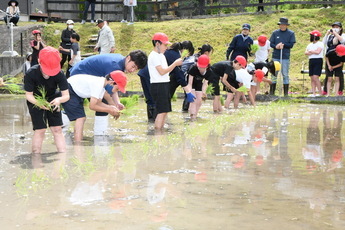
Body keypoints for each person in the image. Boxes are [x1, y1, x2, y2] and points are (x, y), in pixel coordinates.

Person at [70, 50, 147, 135]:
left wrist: (117, 103)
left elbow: (112, 89)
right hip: (77, 76)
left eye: (136, 69)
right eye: (133, 66)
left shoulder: (120, 62)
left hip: (87, 79)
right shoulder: (115, 66)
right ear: (128, 58)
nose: (132, 70)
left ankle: (100, 133)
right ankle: (100, 134)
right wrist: (112, 107)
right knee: (78, 109)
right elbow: (106, 92)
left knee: (76, 108)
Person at [24, 46, 70, 154]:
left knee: (57, 129)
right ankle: (36, 156)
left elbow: (66, 95)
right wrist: (38, 103)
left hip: (54, 99)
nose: (49, 73)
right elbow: (28, 95)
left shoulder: (59, 73)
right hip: (35, 100)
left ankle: (62, 156)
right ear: (39, 61)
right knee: (40, 130)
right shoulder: (31, 73)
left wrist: (59, 100)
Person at [62, 71, 126, 143]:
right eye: (117, 89)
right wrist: (109, 110)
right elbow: (92, 106)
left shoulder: (102, 85)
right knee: (80, 118)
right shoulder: (98, 84)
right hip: (70, 89)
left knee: (81, 117)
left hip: (76, 91)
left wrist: (111, 108)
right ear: (112, 82)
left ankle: (76, 139)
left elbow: (98, 102)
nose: (116, 91)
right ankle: (78, 144)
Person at [148, 32, 183, 130]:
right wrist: (175, 64)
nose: (166, 47)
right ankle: (158, 133)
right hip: (158, 85)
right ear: (157, 44)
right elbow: (162, 72)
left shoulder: (161, 55)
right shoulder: (153, 56)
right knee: (161, 111)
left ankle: (160, 132)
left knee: (165, 110)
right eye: (165, 45)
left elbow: (165, 72)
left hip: (164, 84)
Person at [269, 17, 296, 96]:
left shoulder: (291, 33)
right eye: (281, 25)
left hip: (285, 57)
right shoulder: (275, 33)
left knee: (285, 74)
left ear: (286, 25)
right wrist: (276, 46)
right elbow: (271, 44)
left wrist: (284, 45)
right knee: (274, 74)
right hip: (275, 56)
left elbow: (291, 44)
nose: (282, 26)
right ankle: (272, 93)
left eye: (284, 25)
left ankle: (285, 94)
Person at [322, 22, 345, 95]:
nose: (335, 28)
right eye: (334, 27)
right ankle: (326, 91)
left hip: (339, 56)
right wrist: (327, 34)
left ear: (340, 28)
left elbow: (342, 40)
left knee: (338, 75)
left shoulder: (342, 35)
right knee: (328, 75)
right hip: (330, 56)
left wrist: (335, 33)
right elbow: (324, 42)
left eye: (337, 27)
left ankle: (339, 91)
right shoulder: (330, 36)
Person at [187, 54, 212, 120]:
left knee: (199, 101)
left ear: (207, 66)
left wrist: (204, 92)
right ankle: (192, 116)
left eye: (202, 67)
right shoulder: (193, 68)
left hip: (199, 82)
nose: (200, 69)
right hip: (191, 82)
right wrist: (189, 92)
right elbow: (190, 83)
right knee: (193, 100)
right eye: (199, 67)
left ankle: (195, 114)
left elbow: (205, 83)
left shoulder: (209, 71)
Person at [305, 30, 324, 97]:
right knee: (312, 77)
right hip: (311, 60)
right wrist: (312, 52)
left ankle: (320, 92)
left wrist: (311, 51)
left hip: (318, 60)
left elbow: (318, 52)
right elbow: (306, 52)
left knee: (316, 77)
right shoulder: (309, 45)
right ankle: (313, 93)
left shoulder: (320, 43)